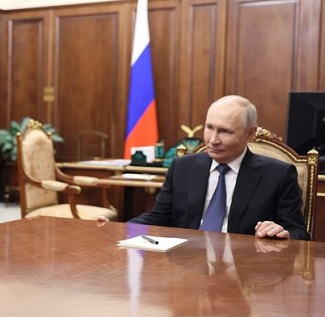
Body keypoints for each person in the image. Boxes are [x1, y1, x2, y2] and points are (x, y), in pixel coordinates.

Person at [127, 95, 309, 240]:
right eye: (209, 127)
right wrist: (122, 230)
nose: (213, 140)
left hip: (244, 267)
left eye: (225, 131)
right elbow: (159, 217)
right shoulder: (182, 167)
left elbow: (298, 232)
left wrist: (280, 233)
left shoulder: (278, 175)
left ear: (250, 134)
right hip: (186, 265)